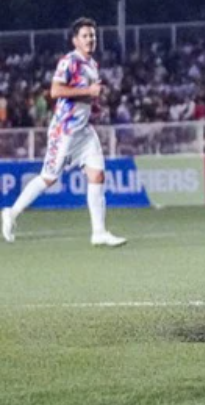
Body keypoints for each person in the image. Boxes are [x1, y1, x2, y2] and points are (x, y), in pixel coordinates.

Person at [2, 18, 127, 247]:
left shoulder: (92, 64)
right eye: (86, 35)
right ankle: (11, 213)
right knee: (48, 178)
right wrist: (89, 90)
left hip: (84, 130)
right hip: (65, 130)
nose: (91, 39)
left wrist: (94, 102)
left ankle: (98, 232)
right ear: (75, 40)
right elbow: (56, 90)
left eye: (93, 35)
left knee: (97, 175)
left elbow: (83, 97)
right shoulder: (69, 62)